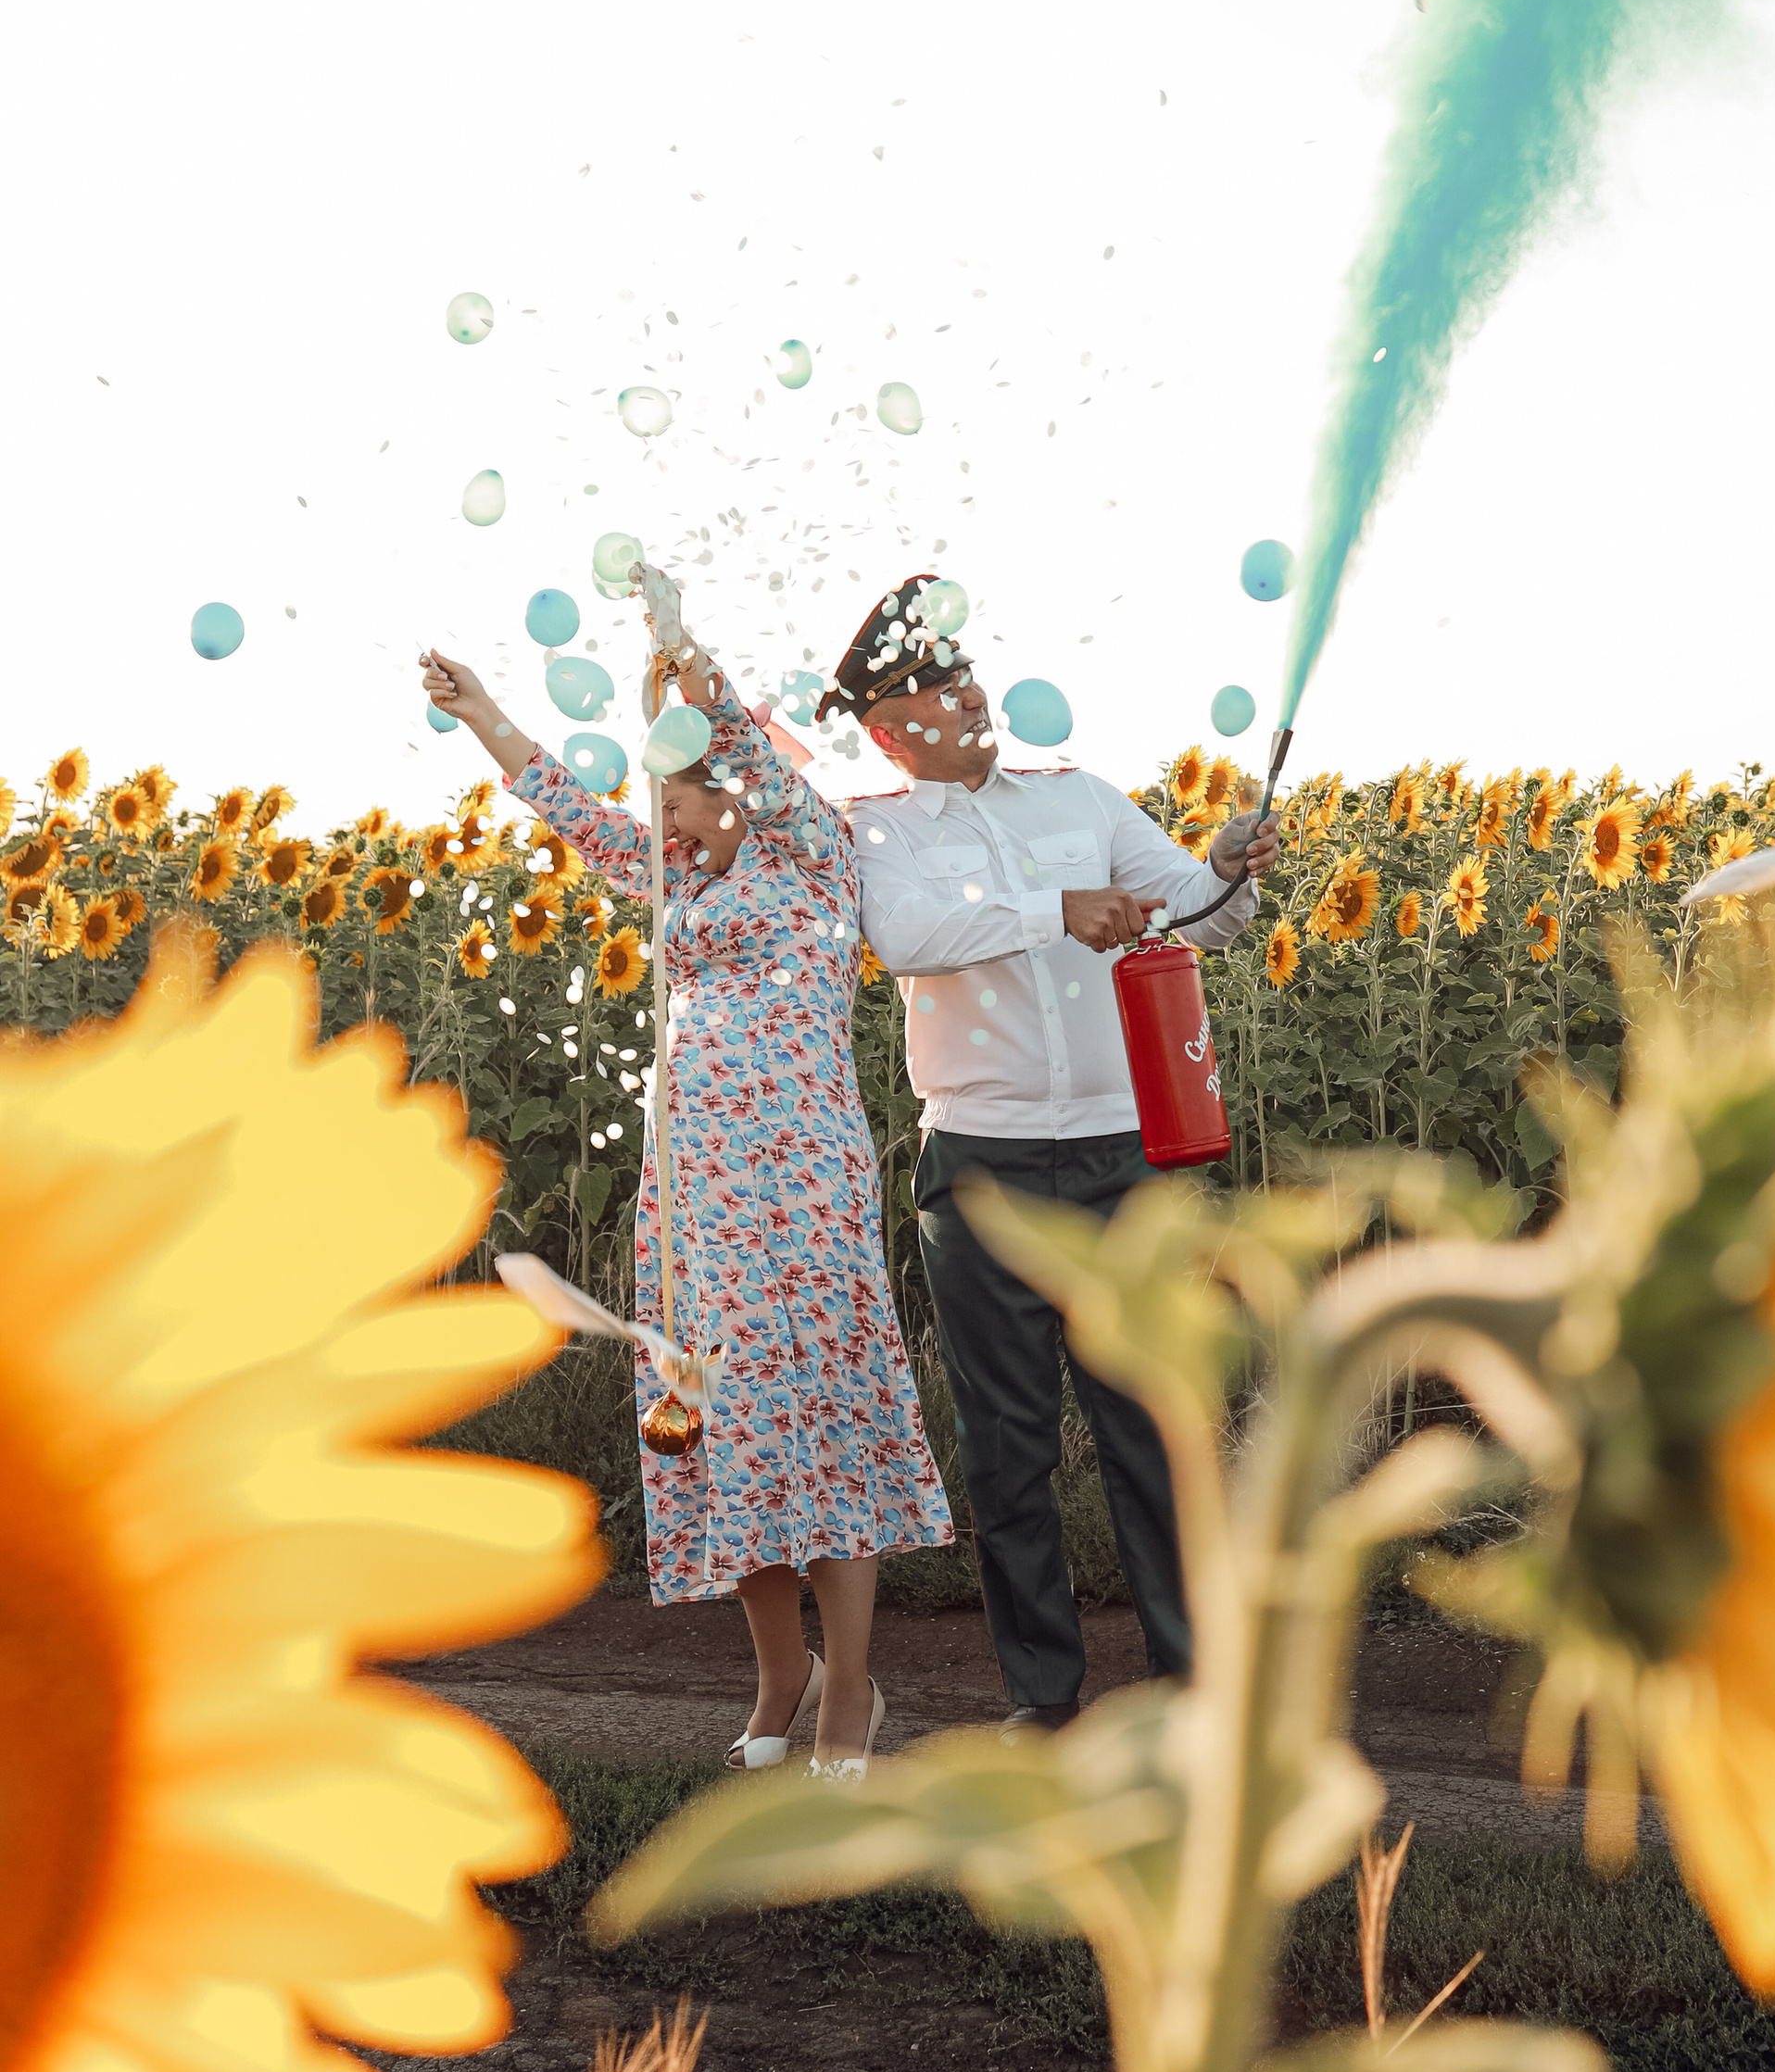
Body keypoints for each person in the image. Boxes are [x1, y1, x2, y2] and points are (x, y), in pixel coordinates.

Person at [418, 619, 950, 1777]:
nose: (658, 822)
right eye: (656, 809)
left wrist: (678, 640)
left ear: (733, 790)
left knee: (817, 1396)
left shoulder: (814, 848)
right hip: (697, 1182)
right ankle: (779, 1673)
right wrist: (480, 711)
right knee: (712, 1403)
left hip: (800, 1171)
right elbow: (562, 803)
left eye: (678, 798)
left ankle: (851, 1683)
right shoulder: (666, 872)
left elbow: (753, 756)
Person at [831, 575, 1277, 1728]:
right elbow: (906, 939)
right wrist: (1054, 911)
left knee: (1148, 1426)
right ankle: (1045, 1702)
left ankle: (1193, 1688)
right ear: (886, 728)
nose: (966, 693)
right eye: (932, 686)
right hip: (981, 1168)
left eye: (963, 670)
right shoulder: (873, 830)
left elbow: (1202, 915)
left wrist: (1228, 862)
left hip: (1122, 1158)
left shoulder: (1079, 798)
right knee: (1007, 1450)